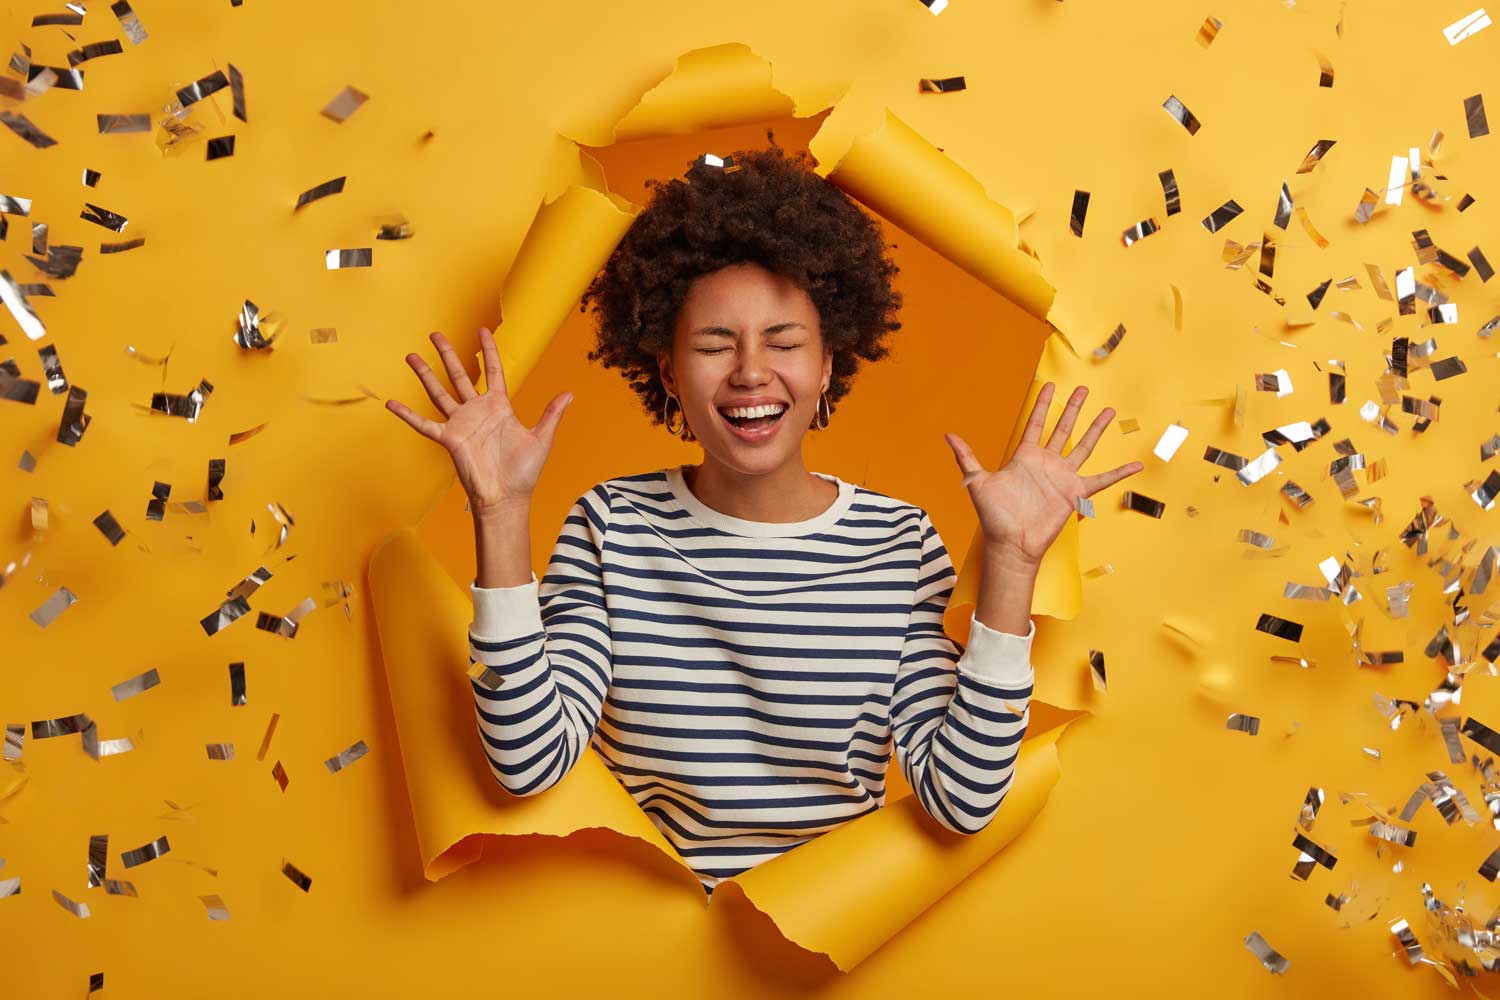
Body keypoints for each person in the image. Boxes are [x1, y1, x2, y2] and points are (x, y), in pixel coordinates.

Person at [386, 139, 1143, 898]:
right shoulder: (612, 527)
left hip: (819, 945)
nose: (751, 372)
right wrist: (499, 511)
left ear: (825, 369)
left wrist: (1012, 561)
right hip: (644, 945)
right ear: (668, 373)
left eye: (783, 342)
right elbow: (527, 762)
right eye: (715, 345)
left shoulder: (899, 545)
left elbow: (963, 800)